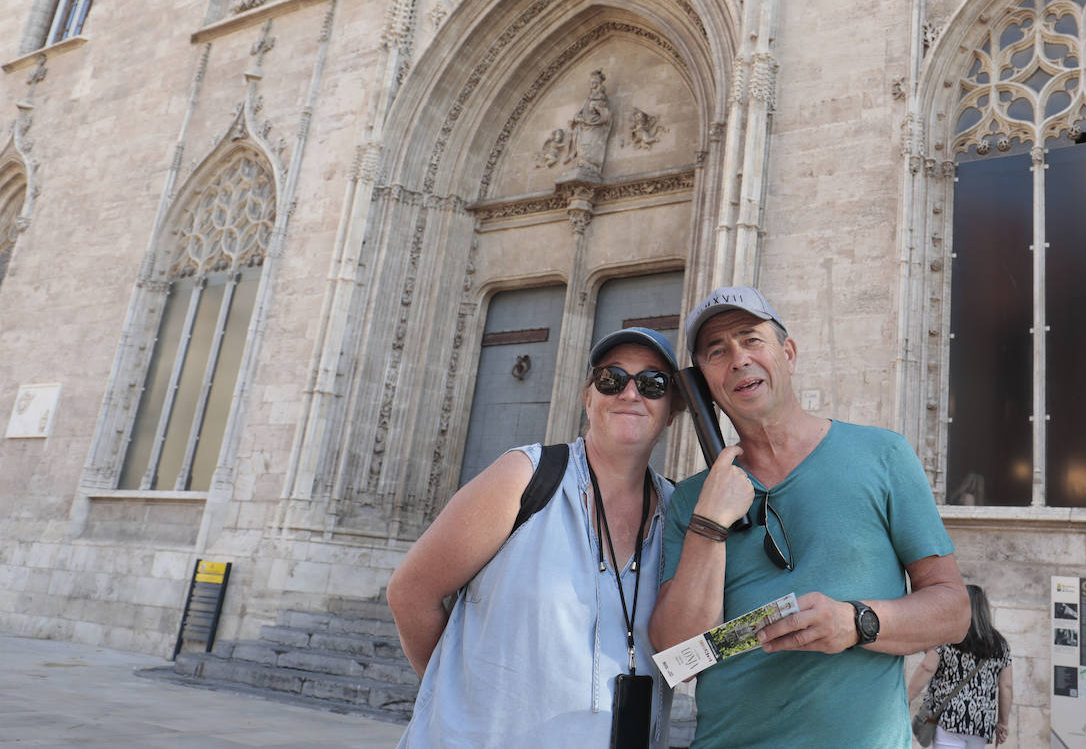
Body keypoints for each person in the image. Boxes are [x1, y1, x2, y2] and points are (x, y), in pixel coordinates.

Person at [647, 286, 970, 748]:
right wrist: (710, 524)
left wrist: (857, 622)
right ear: (703, 386)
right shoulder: (692, 501)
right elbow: (678, 652)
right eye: (717, 351)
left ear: (789, 353)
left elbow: (954, 611)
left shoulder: (884, 455)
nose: (738, 358)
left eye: (751, 339)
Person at [388, 327, 683, 748]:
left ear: (672, 409)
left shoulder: (679, 513)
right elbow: (410, 593)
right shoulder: (525, 476)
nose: (630, 394)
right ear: (588, 397)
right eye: (611, 379)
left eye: (653, 383)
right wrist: (462, 697)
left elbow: (698, 641)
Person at [908, 584, 1013, 747]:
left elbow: (927, 668)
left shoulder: (948, 635)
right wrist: (1003, 723)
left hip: (949, 717)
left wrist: (906, 698)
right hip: (980, 722)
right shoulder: (1000, 644)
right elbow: (1006, 686)